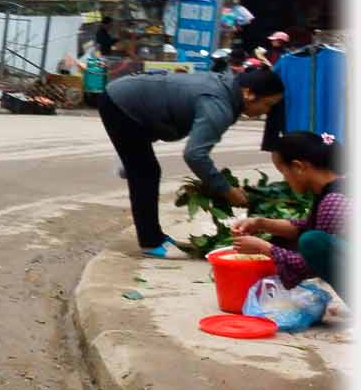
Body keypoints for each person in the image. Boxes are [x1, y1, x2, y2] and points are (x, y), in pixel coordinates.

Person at [101, 65, 286, 258]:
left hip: (133, 101)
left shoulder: (227, 90)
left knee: (141, 165)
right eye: (267, 105)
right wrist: (225, 190)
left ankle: (153, 233)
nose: (265, 111)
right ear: (248, 93)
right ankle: (150, 242)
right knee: (145, 172)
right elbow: (194, 154)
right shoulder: (218, 106)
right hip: (121, 104)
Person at [232, 131, 346, 299]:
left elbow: (310, 263)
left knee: (310, 241)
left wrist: (263, 247)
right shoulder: (335, 187)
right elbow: (307, 227)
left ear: (299, 167)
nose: (285, 179)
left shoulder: (335, 200)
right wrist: (260, 223)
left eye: (283, 172)